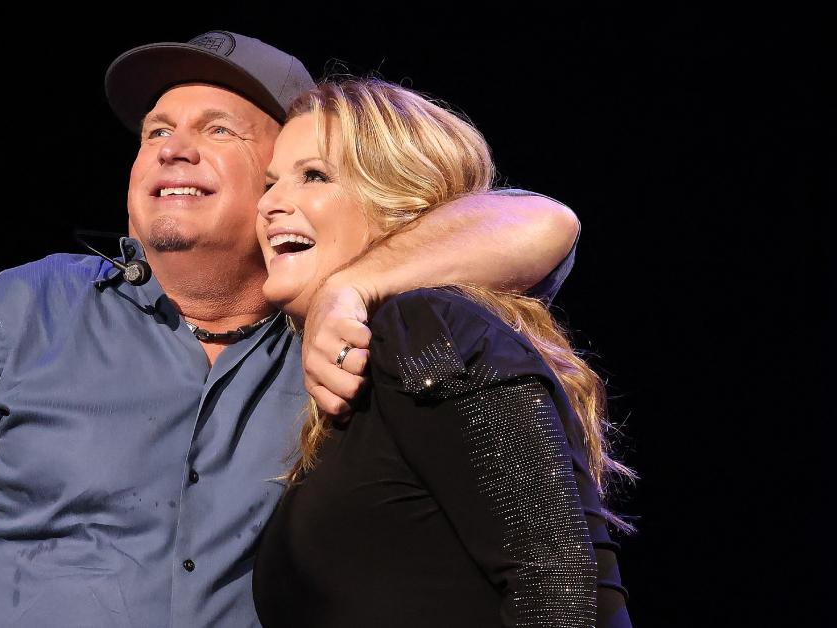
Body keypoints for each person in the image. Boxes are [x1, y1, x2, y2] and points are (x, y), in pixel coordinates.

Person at [0, 32, 581, 627]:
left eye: (216, 128)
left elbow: (544, 221)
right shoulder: (15, 315)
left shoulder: (349, 329)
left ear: (281, 176)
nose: (171, 146)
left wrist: (353, 285)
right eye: (155, 130)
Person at [252, 79, 632, 627]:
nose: (269, 204)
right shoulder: (371, 365)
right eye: (270, 183)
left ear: (400, 204)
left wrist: (353, 285)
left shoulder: (424, 327)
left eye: (314, 175)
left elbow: (565, 593)